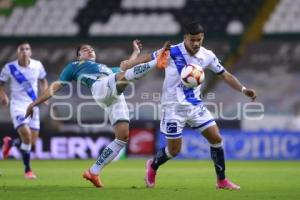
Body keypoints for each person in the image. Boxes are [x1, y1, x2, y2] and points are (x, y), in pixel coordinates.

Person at [124, 22, 257, 190]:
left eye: (199, 40)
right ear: (185, 37)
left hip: (195, 106)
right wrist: (128, 65)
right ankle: (152, 166)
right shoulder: (172, 51)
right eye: (192, 40)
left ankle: (221, 180)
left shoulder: (207, 55)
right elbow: (148, 58)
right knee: (174, 151)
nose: (196, 43)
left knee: (216, 138)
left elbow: (225, 75)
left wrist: (244, 90)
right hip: (173, 108)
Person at [25, 40, 170, 188]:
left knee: (122, 138)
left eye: (91, 49)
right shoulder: (74, 67)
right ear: (78, 57)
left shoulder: (105, 68)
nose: (90, 51)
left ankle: (93, 172)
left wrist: (136, 53)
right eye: (85, 50)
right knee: (124, 76)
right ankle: (158, 60)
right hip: (100, 88)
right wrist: (33, 103)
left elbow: (127, 67)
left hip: (114, 96)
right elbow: (55, 87)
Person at [0, 41, 48, 179]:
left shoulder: (37, 65)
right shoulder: (9, 67)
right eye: (22, 49)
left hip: (33, 105)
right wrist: (3, 95)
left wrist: (45, 93)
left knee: (31, 142)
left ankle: (10, 143)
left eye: (27, 49)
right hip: (18, 106)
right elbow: (0, 84)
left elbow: (43, 80)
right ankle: (28, 170)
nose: (25, 51)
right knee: (26, 135)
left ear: (31, 52)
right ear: (18, 52)